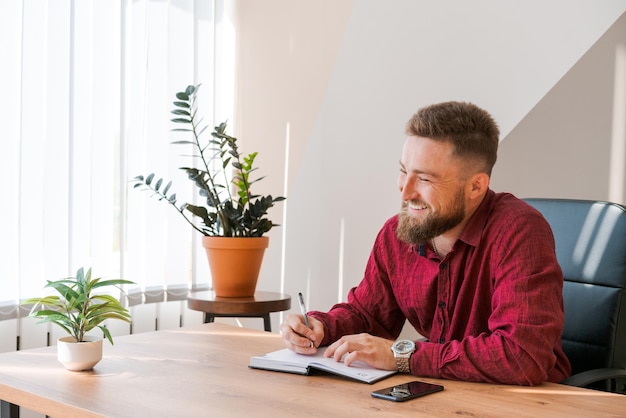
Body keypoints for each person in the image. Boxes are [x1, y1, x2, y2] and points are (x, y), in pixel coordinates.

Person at [280, 101, 571, 386]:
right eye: (404, 171)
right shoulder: (396, 233)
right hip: (443, 394)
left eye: (425, 179)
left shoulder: (519, 231)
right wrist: (319, 327)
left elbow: (521, 358)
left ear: (476, 186)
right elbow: (368, 314)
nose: (405, 191)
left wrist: (402, 356)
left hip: (524, 403)